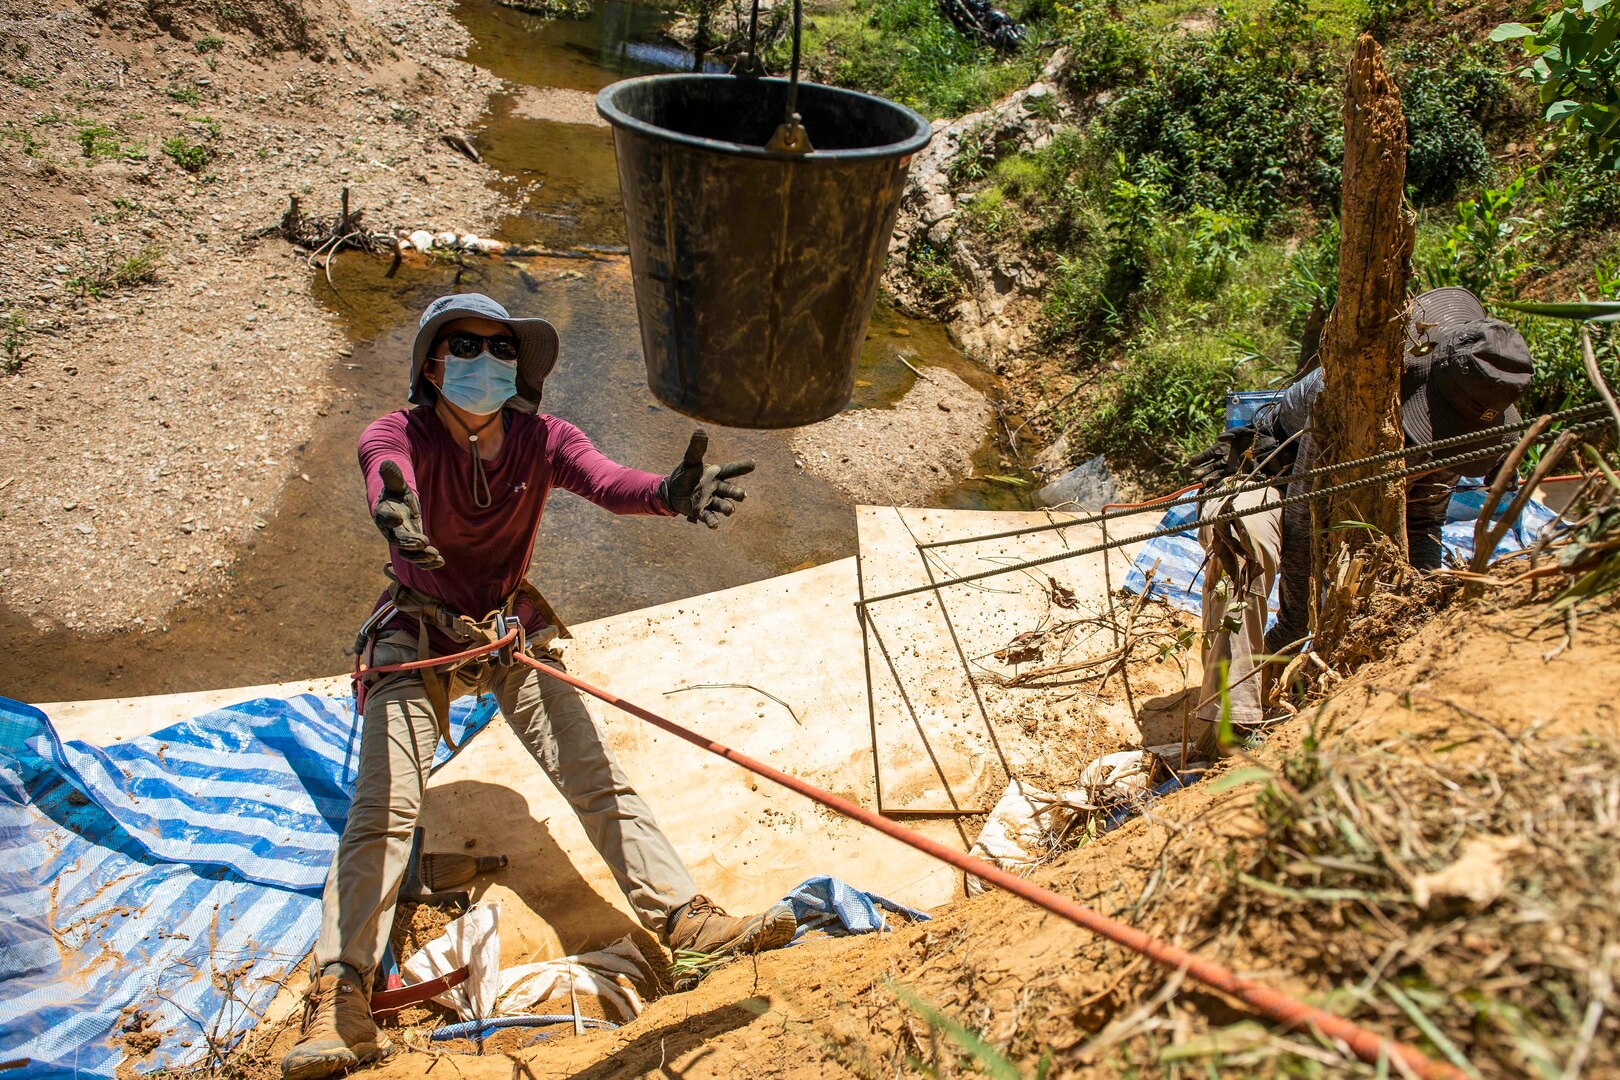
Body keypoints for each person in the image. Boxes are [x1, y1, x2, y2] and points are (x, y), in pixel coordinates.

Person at [282, 293, 798, 1080]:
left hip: (506, 628)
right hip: (416, 634)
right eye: (466, 346)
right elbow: (384, 468)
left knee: (595, 776)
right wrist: (392, 503)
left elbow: (606, 480)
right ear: (431, 363)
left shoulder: (543, 439)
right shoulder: (402, 432)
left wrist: (668, 492)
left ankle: (686, 924)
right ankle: (341, 998)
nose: (485, 361)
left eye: (501, 349)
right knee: (382, 810)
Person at [1189, 287, 1534, 731]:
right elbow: (1301, 508)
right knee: (1245, 538)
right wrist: (1294, 621)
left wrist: (1420, 601)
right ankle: (1232, 718)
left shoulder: (1464, 414)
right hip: (1275, 474)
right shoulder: (1349, 391)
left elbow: (1427, 518)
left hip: (1366, 508)